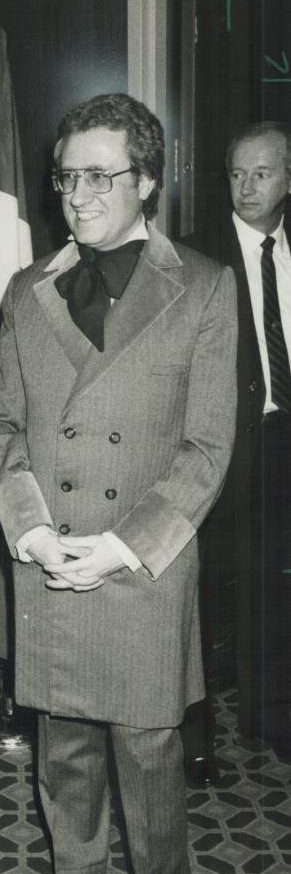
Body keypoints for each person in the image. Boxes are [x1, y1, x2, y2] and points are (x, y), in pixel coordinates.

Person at [0, 93, 237, 874]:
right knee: (64, 751)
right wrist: (30, 528)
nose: (76, 195)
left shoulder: (204, 287)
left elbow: (208, 448)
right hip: (51, 556)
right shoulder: (27, 290)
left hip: (143, 568)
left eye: (99, 176)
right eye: (66, 176)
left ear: (148, 182)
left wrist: (125, 548)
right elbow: (3, 426)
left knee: (150, 759)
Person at [182, 122, 291, 776]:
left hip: (283, 448)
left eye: (263, 174)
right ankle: (193, 738)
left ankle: (270, 717)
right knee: (197, 597)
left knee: (275, 592)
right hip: (220, 451)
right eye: (237, 174)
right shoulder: (196, 257)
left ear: (288, 179)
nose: (247, 188)